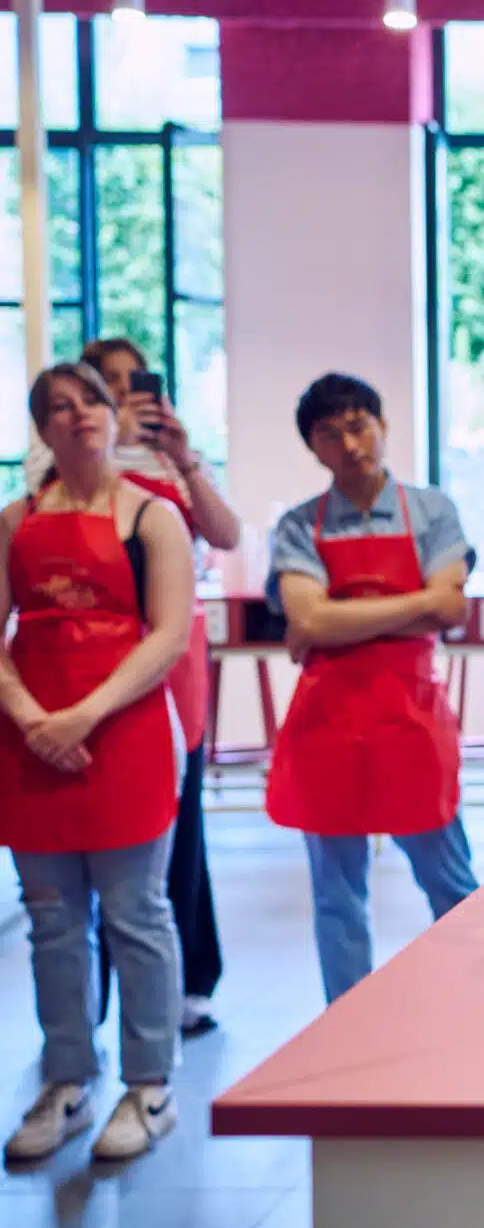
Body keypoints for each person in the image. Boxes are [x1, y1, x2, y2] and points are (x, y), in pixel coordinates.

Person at [1, 364, 193, 1164]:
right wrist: (31, 719)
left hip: (126, 733)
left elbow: (169, 635)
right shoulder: (13, 522)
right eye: (58, 406)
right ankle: (68, 1079)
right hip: (30, 741)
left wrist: (83, 714)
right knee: (52, 921)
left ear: (113, 416)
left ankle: (149, 1086)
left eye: (90, 401)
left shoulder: (152, 517)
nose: (77, 415)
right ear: (41, 429)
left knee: (135, 914)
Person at [28, 337, 239, 1038]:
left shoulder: (173, 465)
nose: (120, 396)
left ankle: (184, 988)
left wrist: (184, 458)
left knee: (172, 839)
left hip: (169, 665)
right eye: (103, 385)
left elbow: (226, 535)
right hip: (73, 672)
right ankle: (88, 1011)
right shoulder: (53, 473)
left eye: (128, 382)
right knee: (77, 858)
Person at [266, 374, 479, 1004]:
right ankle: (346, 1023)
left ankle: (477, 1006)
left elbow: (452, 608)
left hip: (411, 718)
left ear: (383, 426)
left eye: (359, 426)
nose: (351, 444)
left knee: (451, 882)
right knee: (337, 895)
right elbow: (309, 620)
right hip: (327, 725)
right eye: (331, 434)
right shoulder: (299, 525)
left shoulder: (431, 509)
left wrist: (338, 619)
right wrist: (418, 605)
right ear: (313, 447)